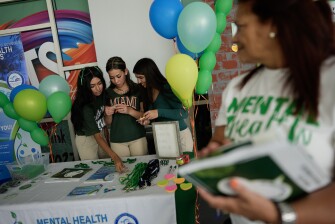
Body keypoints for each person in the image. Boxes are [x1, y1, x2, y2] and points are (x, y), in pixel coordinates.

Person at [198, 0, 335, 223]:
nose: (234, 38)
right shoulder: (238, 88)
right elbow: (221, 145)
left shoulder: (329, 79)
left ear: (273, 26)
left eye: (240, 27)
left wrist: (277, 214)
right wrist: (215, 158)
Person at [133, 57, 194, 153]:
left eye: (141, 77)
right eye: (137, 78)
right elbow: (157, 117)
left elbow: (183, 113)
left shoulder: (167, 87)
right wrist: (147, 120)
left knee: (184, 167)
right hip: (164, 139)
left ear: (150, 75)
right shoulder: (147, 91)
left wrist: (158, 112)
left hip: (180, 136)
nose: (138, 81)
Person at [70, 66, 125, 173]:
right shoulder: (85, 107)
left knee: (108, 168)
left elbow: (105, 124)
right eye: (92, 86)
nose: (98, 88)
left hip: (100, 134)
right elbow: (97, 137)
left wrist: (108, 114)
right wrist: (115, 157)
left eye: (100, 83)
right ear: (85, 87)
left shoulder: (103, 95)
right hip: (86, 139)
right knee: (93, 171)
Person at [104, 56, 148, 157]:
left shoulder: (138, 89)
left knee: (142, 168)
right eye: (111, 78)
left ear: (126, 71)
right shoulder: (107, 93)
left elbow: (145, 117)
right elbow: (107, 122)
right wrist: (108, 114)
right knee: (124, 171)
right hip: (117, 141)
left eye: (118, 76)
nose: (116, 81)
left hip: (138, 138)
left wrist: (130, 111)